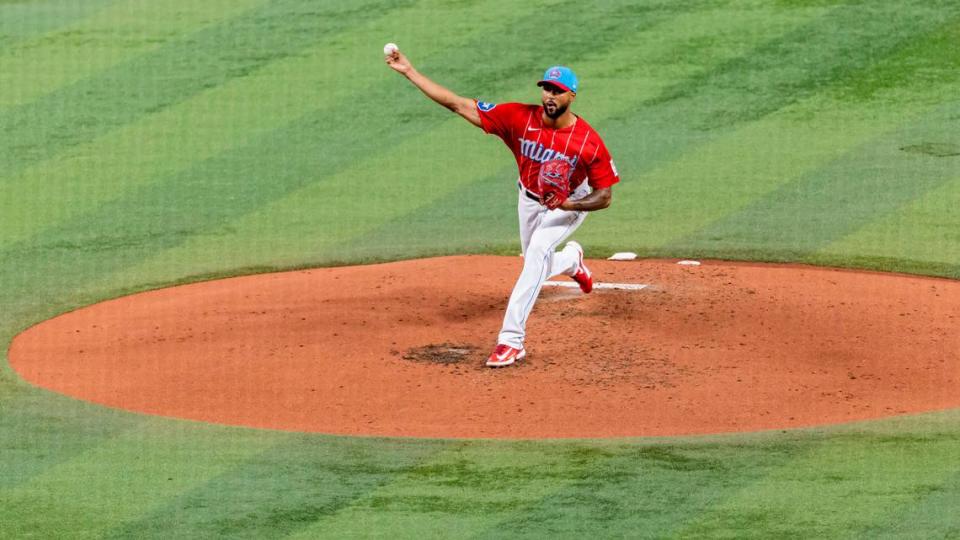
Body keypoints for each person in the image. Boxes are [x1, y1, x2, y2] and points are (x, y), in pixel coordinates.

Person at [385, 48, 619, 368]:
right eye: (546, 88)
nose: (550, 96)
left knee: (537, 253)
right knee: (533, 263)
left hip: (568, 203)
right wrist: (410, 71)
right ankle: (570, 261)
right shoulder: (519, 118)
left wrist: (571, 203)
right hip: (529, 198)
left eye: (558, 91)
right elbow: (458, 104)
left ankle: (511, 340)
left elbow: (604, 195)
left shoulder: (588, 141)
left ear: (572, 96)